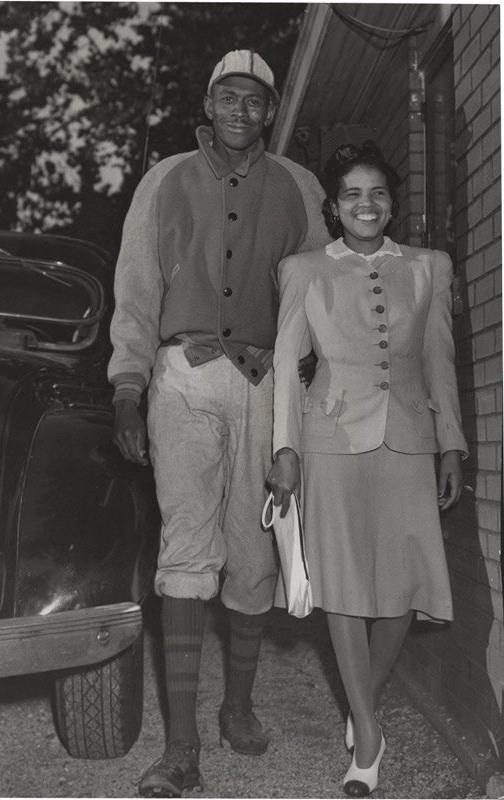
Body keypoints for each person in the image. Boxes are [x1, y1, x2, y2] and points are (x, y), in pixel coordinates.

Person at [108, 50, 330, 797]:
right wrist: (127, 387)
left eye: (256, 101)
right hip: (184, 377)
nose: (241, 110)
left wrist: (313, 367)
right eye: (228, 98)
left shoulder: (300, 187)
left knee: (255, 556)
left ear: (271, 111)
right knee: (185, 550)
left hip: (266, 382)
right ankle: (181, 748)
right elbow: (136, 288)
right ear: (208, 101)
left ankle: (237, 705)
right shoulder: (164, 178)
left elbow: (317, 292)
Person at [267, 140, 468, 798]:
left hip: (408, 436)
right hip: (330, 441)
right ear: (333, 206)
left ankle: (361, 708)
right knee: (345, 588)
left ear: (391, 202)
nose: (365, 204)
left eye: (376, 192)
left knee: (403, 589)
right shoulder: (300, 271)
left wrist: (450, 445)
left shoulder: (428, 267)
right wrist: (285, 450)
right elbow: (285, 374)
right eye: (350, 193)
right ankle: (370, 737)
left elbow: (437, 360)